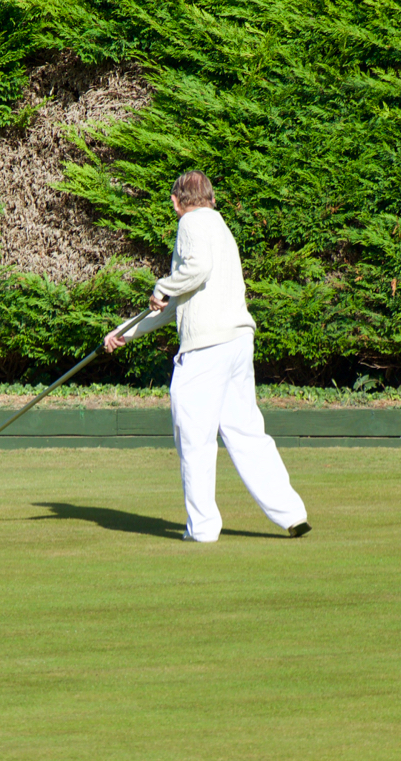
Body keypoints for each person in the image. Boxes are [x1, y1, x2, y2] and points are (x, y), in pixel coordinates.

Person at [104, 170, 310, 542]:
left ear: (175, 202)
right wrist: (126, 332)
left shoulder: (191, 224)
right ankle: (292, 513)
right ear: (212, 198)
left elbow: (195, 271)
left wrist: (162, 285)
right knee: (246, 433)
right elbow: (179, 301)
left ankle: (202, 529)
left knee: (195, 438)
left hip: (206, 349)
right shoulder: (221, 228)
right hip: (237, 343)